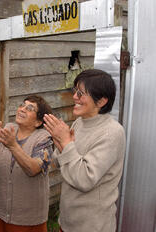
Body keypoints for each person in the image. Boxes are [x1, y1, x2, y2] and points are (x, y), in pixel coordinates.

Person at [44, 69, 126, 232]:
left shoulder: (112, 133)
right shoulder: (80, 122)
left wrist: (66, 143)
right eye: (75, 91)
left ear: (101, 101)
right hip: (69, 220)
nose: (75, 97)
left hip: (92, 225)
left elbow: (84, 179)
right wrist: (60, 142)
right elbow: (60, 163)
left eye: (81, 94)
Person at [0, 95, 53, 232]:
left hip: (27, 219)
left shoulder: (43, 139)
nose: (22, 109)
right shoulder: (9, 128)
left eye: (30, 108)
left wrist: (12, 145)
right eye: (22, 105)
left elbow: (33, 169)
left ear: (38, 122)